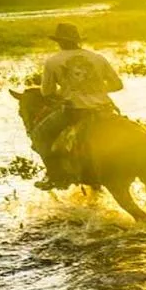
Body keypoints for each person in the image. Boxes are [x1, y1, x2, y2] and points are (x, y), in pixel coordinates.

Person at [31, 22, 125, 189]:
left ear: (59, 41)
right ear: (78, 40)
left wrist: (71, 93)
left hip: (75, 112)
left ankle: (54, 176)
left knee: (39, 135)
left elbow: (47, 93)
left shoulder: (53, 62)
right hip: (105, 109)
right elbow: (118, 85)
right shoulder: (98, 58)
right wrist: (95, 89)